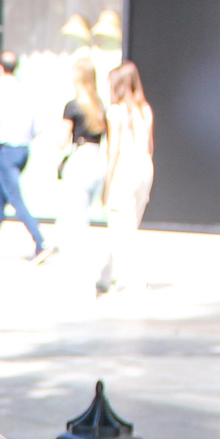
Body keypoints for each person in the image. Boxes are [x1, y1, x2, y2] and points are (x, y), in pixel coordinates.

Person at [0, 51, 47, 260]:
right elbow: (39, 124)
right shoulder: (26, 91)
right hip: (23, 150)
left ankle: (40, 241)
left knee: (14, 199)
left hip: (5, 150)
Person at [98, 61, 154, 296]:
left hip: (125, 165)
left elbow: (113, 150)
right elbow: (150, 145)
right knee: (128, 223)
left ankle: (134, 278)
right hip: (145, 165)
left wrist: (107, 184)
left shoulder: (117, 111)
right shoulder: (145, 109)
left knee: (122, 225)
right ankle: (106, 274)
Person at [59, 50, 108, 240]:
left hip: (79, 160)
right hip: (96, 160)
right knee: (83, 212)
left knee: (74, 216)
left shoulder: (73, 106)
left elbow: (61, 140)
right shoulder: (100, 107)